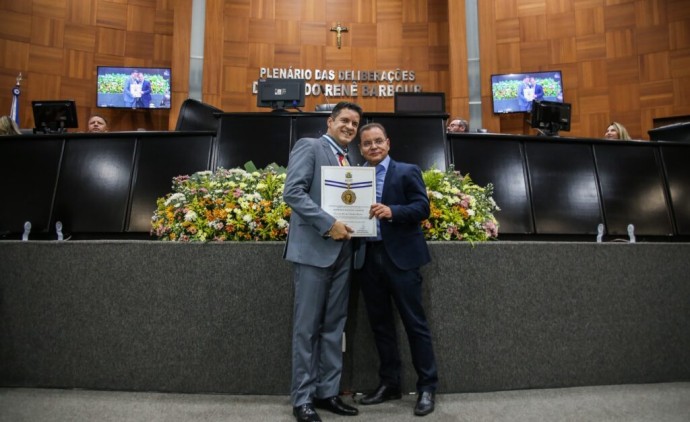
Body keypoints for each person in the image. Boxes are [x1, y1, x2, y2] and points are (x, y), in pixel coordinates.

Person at [283, 101, 363, 422]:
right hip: (314, 251)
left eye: (355, 123)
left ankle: (327, 392)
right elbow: (293, 192)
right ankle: (302, 399)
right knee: (307, 329)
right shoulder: (311, 146)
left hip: (343, 252)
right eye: (344, 120)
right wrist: (329, 225)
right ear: (330, 121)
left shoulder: (349, 159)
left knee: (334, 326)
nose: (349, 127)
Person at [354, 122, 438, 416]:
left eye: (378, 141)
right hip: (368, 258)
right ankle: (389, 384)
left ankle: (427, 387)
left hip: (401, 259)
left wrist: (392, 211)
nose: (373, 147)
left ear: (388, 143)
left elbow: (422, 208)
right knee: (380, 326)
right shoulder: (355, 176)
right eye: (367, 143)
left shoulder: (406, 171)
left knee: (415, 324)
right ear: (360, 148)